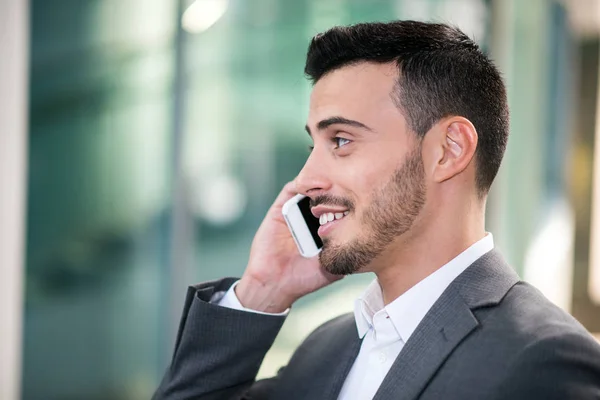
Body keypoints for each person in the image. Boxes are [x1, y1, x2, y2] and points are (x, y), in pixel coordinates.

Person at [154, 20, 600, 400]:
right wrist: (261, 292)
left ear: (449, 150)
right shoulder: (322, 351)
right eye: (315, 144)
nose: (305, 179)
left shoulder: (545, 361)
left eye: (341, 141)